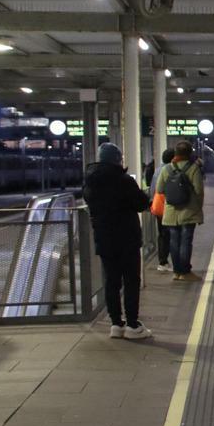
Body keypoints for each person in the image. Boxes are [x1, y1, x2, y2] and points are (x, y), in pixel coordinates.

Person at [83, 143, 152, 339]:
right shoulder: (123, 181)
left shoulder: (89, 182)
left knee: (111, 282)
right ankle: (132, 325)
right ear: (116, 159)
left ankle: (116, 324)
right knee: (131, 281)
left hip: (104, 239)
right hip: (127, 239)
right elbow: (141, 203)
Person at [158, 140, 205, 281]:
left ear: (176, 153)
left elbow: (159, 189)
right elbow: (199, 190)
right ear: (190, 153)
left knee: (174, 241)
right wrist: (198, 207)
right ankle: (185, 272)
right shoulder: (193, 168)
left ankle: (177, 272)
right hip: (189, 211)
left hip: (171, 212)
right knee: (185, 241)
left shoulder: (166, 169)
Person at [149, 148, 174, 272]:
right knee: (172, 234)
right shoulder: (172, 170)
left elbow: (153, 190)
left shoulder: (157, 170)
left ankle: (162, 261)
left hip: (159, 207)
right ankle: (169, 262)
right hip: (171, 207)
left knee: (162, 234)